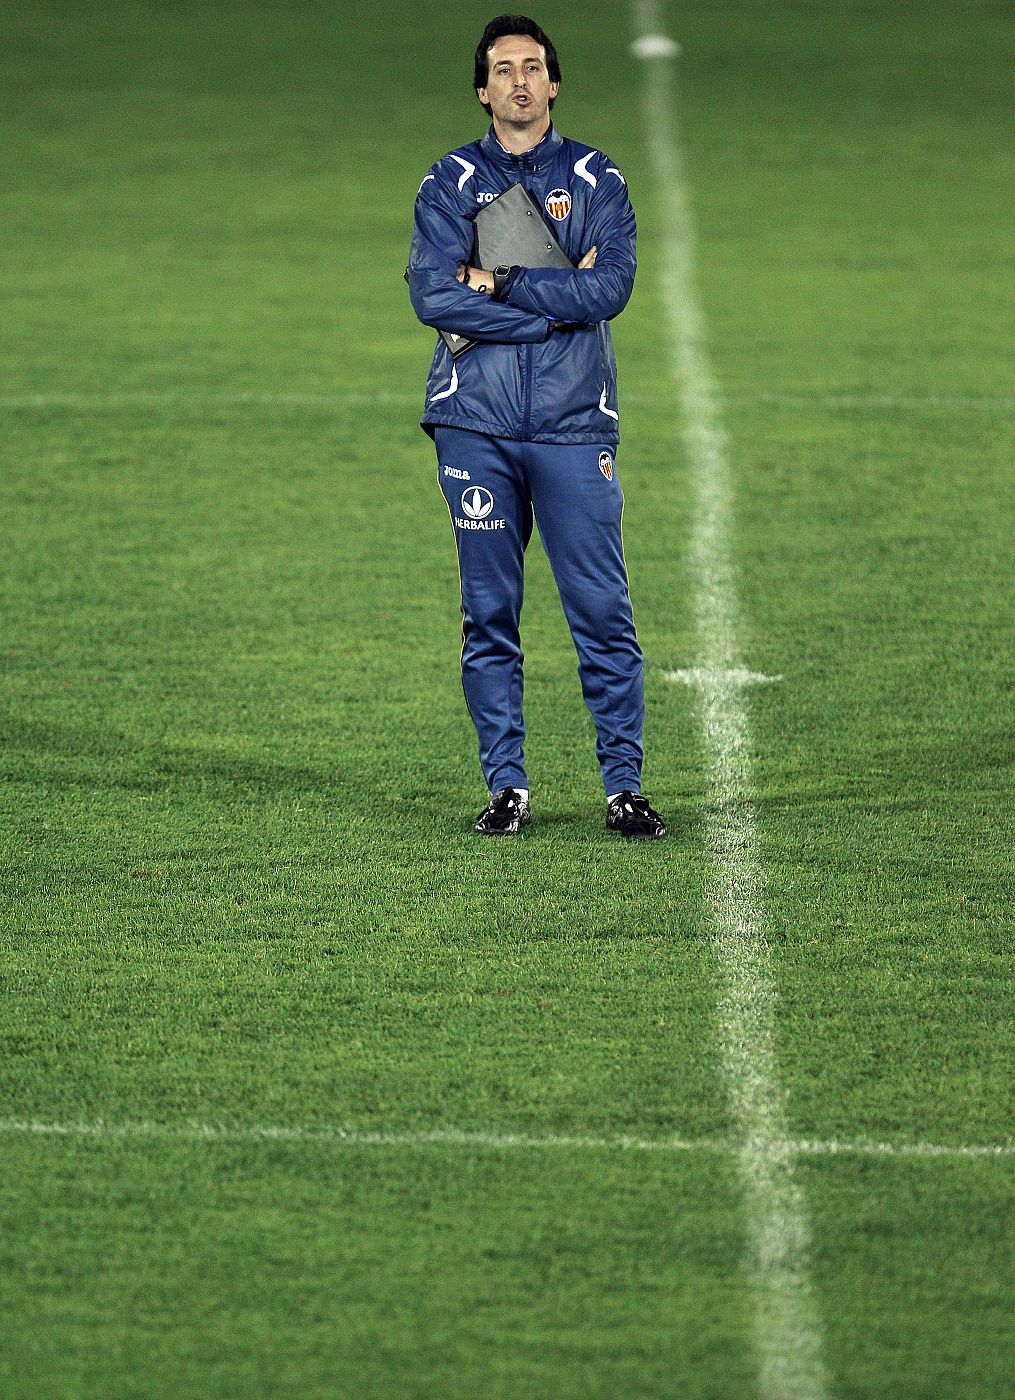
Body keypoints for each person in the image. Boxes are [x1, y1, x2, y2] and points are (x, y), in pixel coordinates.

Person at [406, 14, 666, 840]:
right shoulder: (448, 183)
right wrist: (548, 314)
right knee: (488, 612)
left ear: (553, 84)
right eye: (502, 69)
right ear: (482, 91)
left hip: (571, 426)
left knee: (600, 610)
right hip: (472, 426)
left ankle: (623, 786)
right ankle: (506, 787)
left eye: (532, 67)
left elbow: (608, 293)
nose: (519, 80)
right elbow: (430, 297)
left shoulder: (599, 181)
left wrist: (498, 284)